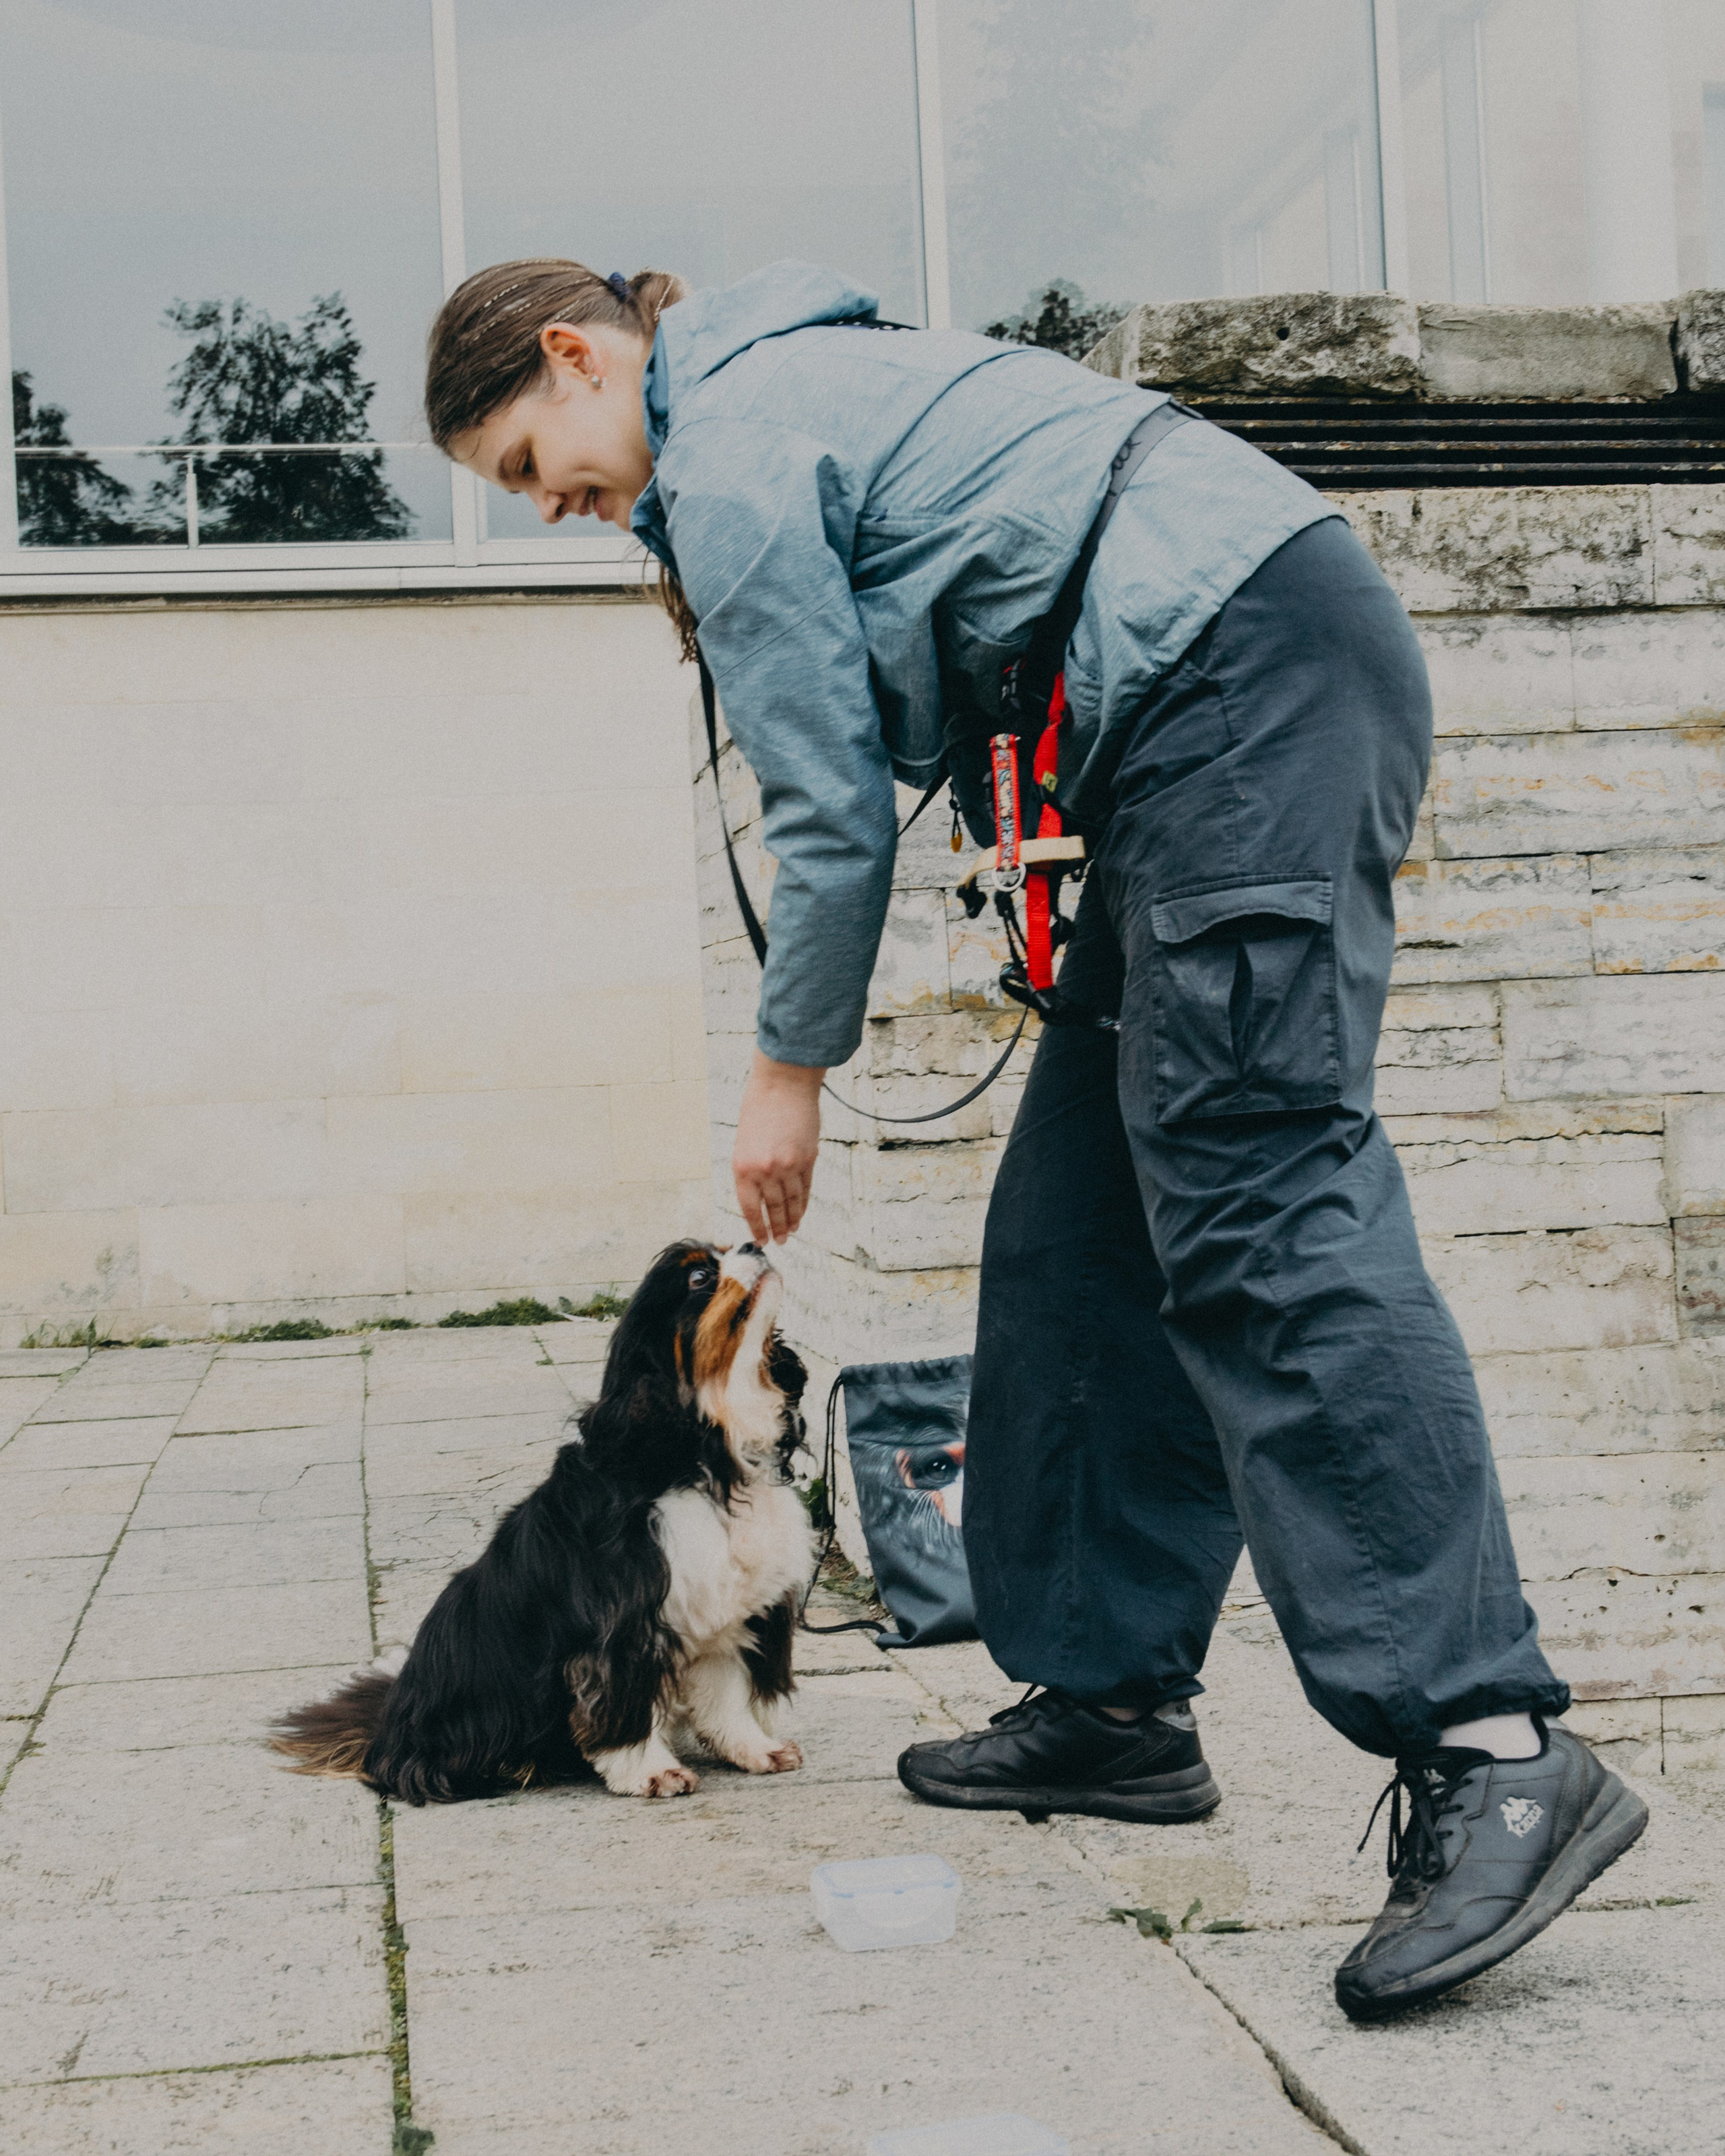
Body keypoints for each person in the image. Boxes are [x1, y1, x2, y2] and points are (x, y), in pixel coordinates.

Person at [423, 255, 1648, 2021]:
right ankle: (1111, 1705)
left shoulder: (733, 441)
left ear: (577, 354)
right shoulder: (765, 408)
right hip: (1177, 720)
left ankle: (1494, 1745)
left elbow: (828, 800)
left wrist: (789, 1074)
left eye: (538, 464)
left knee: (1253, 1192)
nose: (558, 507)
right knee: (1079, 1226)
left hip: (1243, 683)